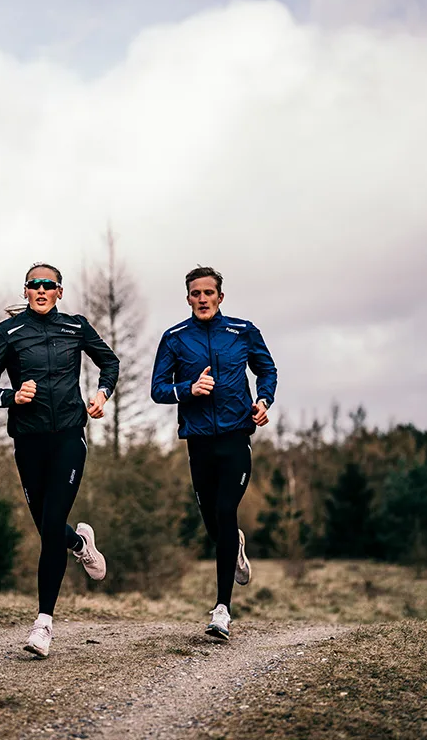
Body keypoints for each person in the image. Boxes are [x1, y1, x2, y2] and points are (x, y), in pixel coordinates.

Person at [0, 262, 120, 658]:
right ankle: (79, 542)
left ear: (59, 291)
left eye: (48, 285)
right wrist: (11, 397)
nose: (41, 290)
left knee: (51, 523)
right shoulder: (7, 333)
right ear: (25, 292)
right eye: (34, 285)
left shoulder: (76, 327)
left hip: (69, 437)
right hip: (28, 441)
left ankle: (43, 623)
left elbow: (110, 362)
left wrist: (102, 394)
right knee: (49, 529)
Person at [150, 266, 277, 640]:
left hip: (236, 436)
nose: (202, 299)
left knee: (225, 511)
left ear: (221, 297)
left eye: (209, 293)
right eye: (195, 293)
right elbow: (158, 389)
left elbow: (267, 370)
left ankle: (222, 609)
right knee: (213, 523)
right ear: (187, 298)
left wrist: (264, 400)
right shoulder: (175, 338)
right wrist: (189, 388)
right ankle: (233, 542)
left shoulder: (243, 331)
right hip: (199, 441)